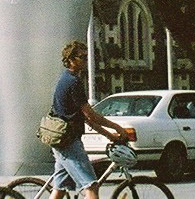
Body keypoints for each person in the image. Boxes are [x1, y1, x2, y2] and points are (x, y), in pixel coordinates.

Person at [50, 40, 133, 199]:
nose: (86, 60)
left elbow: (86, 118)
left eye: (87, 56)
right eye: (82, 57)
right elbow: (91, 115)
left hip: (62, 140)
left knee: (60, 189)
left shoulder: (66, 78)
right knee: (92, 186)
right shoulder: (73, 82)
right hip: (68, 142)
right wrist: (117, 127)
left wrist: (109, 136)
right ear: (71, 59)